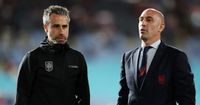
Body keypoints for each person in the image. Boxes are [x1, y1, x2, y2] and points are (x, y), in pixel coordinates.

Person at [117, 8, 195, 105]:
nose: (143, 23)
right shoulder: (127, 57)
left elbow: (186, 99)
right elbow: (123, 97)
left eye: (149, 20)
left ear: (161, 27)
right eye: (141, 20)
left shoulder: (176, 57)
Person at [15, 5, 90, 105]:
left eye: (64, 26)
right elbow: (21, 100)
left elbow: (84, 98)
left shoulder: (77, 58)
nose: (61, 31)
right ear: (45, 27)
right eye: (56, 26)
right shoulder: (32, 58)